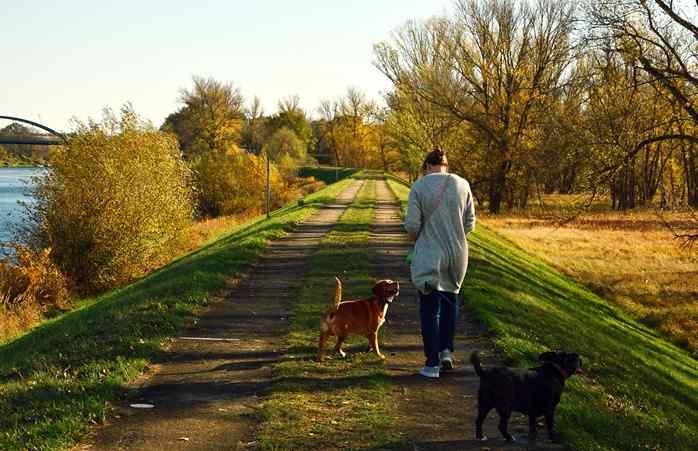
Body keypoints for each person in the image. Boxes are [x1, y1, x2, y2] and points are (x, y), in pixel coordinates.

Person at [404, 148, 476, 379]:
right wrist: (453, 235)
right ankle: (447, 351)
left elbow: (413, 226)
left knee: (429, 308)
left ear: (426, 166)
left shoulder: (419, 186)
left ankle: (432, 364)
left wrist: (422, 238)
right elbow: (470, 224)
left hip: (430, 255)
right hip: (457, 255)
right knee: (450, 302)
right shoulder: (463, 184)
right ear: (447, 165)